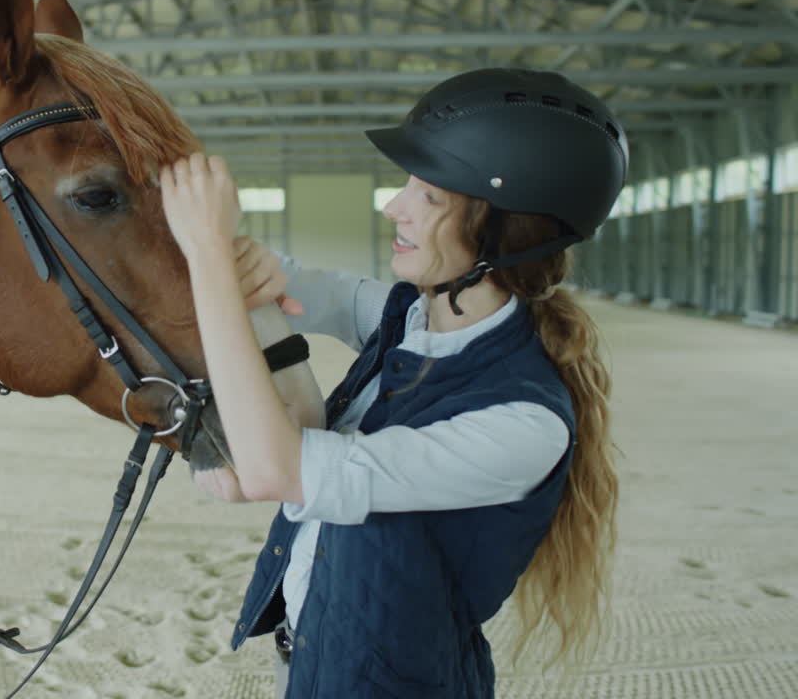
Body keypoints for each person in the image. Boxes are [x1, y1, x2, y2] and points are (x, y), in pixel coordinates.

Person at [158, 68, 625, 698]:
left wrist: (209, 252)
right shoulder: (407, 316)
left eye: (429, 196)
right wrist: (247, 263)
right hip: (309, 660)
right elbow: (297, 283)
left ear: (504, 229)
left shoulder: (523, 424)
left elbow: (278, 471)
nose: (393, 206)